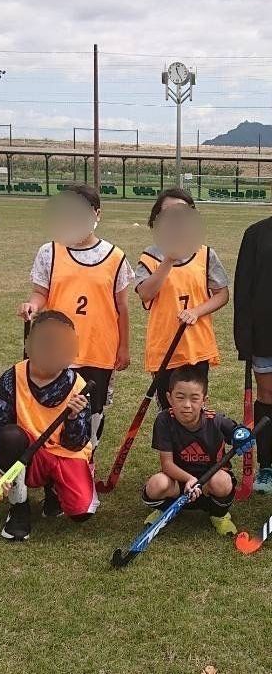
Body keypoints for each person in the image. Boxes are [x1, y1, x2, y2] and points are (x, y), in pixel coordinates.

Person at [18, 184, 132, 455]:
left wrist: (124, 347)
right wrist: (32, 305)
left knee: (93, 409)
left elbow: (122, 306)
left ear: (97, 214)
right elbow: (40, 293)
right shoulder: (50, 251)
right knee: (54, 407)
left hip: (98, 349)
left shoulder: (115, 256)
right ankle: (52, 462)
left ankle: (87, 463)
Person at [0, 311, 96, 541]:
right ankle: (19, 507)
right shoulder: (12, 378)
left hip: (64, 454)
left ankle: (54, 491)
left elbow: (77, 444)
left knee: (81, 512)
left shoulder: (79, 386)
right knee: (10, 436)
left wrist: (74, 418)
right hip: (28, 453)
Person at [135, 187, 229, 409]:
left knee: (194, 410)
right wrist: (168, 259)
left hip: (197, 347)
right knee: (169, 411)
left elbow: (222, 294)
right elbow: (145, 293)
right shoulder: (150, 256)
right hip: (164, 348)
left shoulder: (206, 254)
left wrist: (196, 311)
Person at [142, 365, 250, 536]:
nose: (187, 405)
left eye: (194, 398)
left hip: (208, 486)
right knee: (156, 485)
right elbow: (167, 465)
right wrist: (189, 479)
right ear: (169, 398)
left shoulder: (216, 420)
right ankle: (165, 511)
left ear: (204, 400)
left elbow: (239, 431)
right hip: (179, 484)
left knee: (222, 482)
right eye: (180, 397)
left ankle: (219, 515)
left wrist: (243, 435)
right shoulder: (164, 420)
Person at [233, 214, 272, 492]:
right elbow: (243, 288)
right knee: (267, 397)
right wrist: (244, 337)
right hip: (265, 335)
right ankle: (267, 466)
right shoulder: (256, 234)